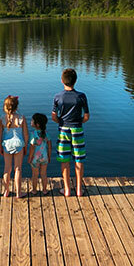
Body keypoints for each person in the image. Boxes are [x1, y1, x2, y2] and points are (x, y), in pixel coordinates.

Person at [51, 67, 90, 197]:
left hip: (63, 130)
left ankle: (67, 189)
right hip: (77, 129)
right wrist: (79, 122)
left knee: (64, 159)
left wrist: (61, 122)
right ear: (75, 81)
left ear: (62, 81)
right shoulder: (81, 96)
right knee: (79, 160)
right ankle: (79, 189)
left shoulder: (58, 97)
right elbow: (86, 116)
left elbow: (53, 116)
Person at [0, 95, 27, 198]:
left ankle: (6, 191)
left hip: (7, 144)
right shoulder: (21, 118)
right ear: (16, 107)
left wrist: (0, 146)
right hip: (19, 144)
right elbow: (26, 135)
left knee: (7, 168)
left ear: (5, 107)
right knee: (18, 169)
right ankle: (19, 193)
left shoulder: (2, 119)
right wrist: (25, 147)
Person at [28, 113, 51, 196]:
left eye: (32, 121)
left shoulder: (33, 134)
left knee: (35, 174)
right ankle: (44, 190)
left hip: (35, 158)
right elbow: (49, 146)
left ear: (37, 124)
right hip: (44, 157)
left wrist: (30, 158)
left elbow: (32, 148)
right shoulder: (46, 133)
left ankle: (34, 190)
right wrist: (49, 156)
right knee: (44, 174)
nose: (31, 122)